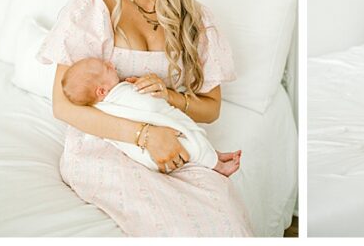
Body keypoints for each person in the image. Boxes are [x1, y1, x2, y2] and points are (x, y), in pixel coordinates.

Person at [38, 0, 253, 236]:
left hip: (175, 142)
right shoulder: (93, 7)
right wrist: (145, 135)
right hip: (106, 145)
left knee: (227, 220)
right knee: (164, 223)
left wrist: (168, 96)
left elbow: (211, 109)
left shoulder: (196, 22)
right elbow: (63, 106)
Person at [60, 57, 242, 177]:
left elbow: (211, 110)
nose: (111, 64)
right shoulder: (118, 97)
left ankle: (214, 154)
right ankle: (217, 165)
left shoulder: (102, 102)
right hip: (152, 147)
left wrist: (166, 94)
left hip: (146, 157)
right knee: (191, 143)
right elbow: (149, 106)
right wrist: (141, 90)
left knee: (191, 136)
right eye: (107, 68)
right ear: (102, 91)